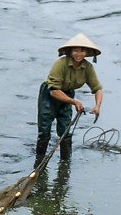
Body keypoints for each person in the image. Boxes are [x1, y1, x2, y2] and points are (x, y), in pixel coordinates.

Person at [36, 32, 105, 163]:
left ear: (87, 52)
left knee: (65, 132)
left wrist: (97, 106)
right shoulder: (61, 64)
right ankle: (39, 162)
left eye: (83, 51)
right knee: (44, 131)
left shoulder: (87, 67)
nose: (79, 54)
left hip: (67, 95)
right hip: (50, 95)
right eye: (76, 50)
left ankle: (65, 164)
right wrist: (74, 102)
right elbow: (54, 91)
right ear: (70, 51)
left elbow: (97, 88)